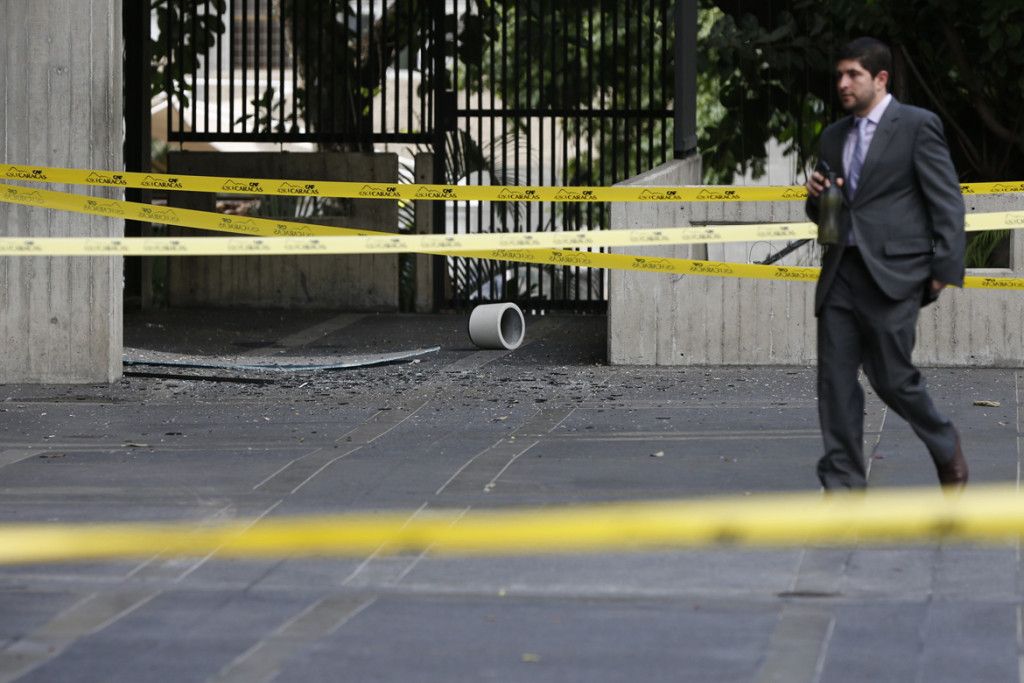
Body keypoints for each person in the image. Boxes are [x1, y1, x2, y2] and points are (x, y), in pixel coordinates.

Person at [805, 36, 968, 490]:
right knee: (835, 383)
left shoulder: (917, 125)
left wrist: (942, 271)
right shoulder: (833, 136)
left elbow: (947, 202)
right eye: (839, 75)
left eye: (853, 74)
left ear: (880, 78)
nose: (843, 83)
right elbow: (829, 211)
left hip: (895, 273)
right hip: (841, 272)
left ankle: (945, 445)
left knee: (893, 379)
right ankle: (843, 486)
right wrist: (816, 198)